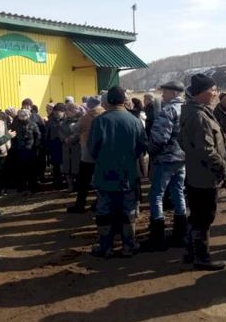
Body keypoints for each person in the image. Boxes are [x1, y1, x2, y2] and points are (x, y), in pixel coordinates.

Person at [88, 86, 147, 258]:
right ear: (124, 100)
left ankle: (105, 247)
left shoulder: (99, 121)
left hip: (105, 173)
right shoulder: (134, 121)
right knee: (128, 211)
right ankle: (129, 246)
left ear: (108, 101)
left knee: (104, 210)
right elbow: (142, 147)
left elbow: (92, 149)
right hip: (127, 173)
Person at [178, 74, 226, 271]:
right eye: (212, 90)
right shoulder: (199, 116)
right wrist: (222, 167)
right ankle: (202, 258)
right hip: (204, 176)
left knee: (197, 216)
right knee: (204, 218)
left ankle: (190, 252)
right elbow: (206, 150)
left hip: (196, 173)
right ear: (201, 92)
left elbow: (183, 142)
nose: (215, 93)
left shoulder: (196, 111)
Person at [145, 81, 187, 251]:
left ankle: (158, 238)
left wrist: (151, 151)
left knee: (156, 195)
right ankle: (180, 234)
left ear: (174, 93)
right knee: (178, 192)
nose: (163, 95)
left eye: (165, 92)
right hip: (182, 157)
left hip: (166, 158)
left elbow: (160, 138)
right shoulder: (187, 109)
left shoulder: (169, 110)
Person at [67, 97, 104, 213]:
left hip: (87, 153)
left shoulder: (86, 117)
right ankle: (99, 203)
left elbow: (75, 128)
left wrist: (72, 125)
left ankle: (80, 205)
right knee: (102, 180)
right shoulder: (105, 114)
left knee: (83, 181)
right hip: (102, 153)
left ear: (89, 105)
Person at [10, 108, 41, 193]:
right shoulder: (15, 125)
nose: (23, 117)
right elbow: (13, 137)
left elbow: (38, 136)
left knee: (31, 170)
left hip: (30, 150)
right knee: (21, 170)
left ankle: (32, 186)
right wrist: (15, 146)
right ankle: (22, 187)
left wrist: (35, 147)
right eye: (20, 115)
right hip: (20, 150)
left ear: (28, 115)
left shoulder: (33, 124)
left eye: (24, 115)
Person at [61, 103, 82, 192]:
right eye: (66, 110)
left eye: (69, 110)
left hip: (77, 147)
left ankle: (79, 185)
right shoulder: (65, 121)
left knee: (77, 167)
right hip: (66, 147)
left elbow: (80, 132)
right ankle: (70, 185)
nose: (66, 112)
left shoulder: (81, 120)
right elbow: (60, 131)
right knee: (67, 167)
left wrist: (72, 138)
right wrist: (64, 138)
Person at [45, 103, 66, 188]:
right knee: (56, 165)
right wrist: (47, 146)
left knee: (66, 164)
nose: (56, 113)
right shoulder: (50, 121)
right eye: (55, 112)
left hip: (65, 145)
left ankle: (67, 181)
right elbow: (47, 134)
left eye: (58, 112)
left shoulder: (67, 120)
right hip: (54, 146)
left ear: (63, 112)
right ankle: (57, 182)